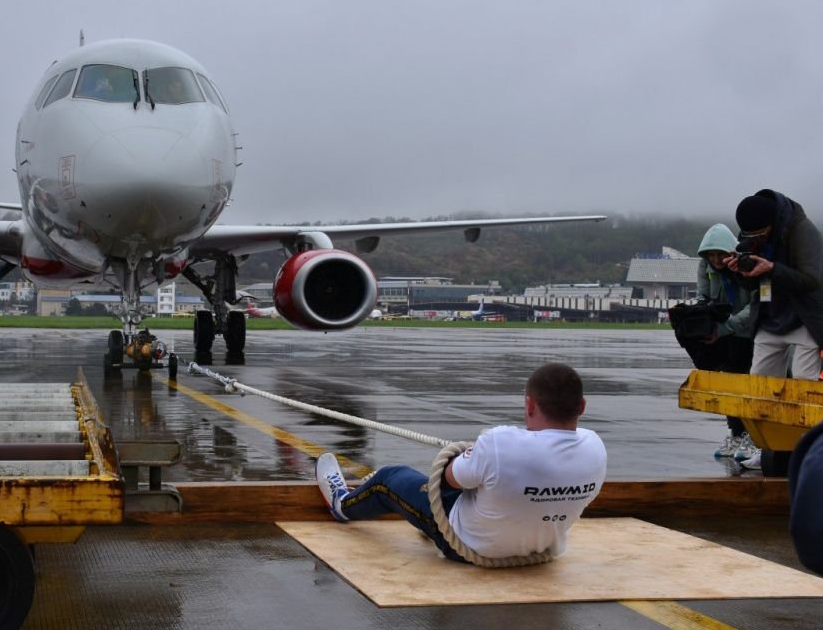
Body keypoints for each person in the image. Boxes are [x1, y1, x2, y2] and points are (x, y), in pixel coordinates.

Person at [315, 363, 607, 563]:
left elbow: (447, 481)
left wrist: (474, 454)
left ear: (529, 405)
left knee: (390, 479)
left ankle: (341, 505)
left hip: (468, 547)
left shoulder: (500, 442)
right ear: (582, 407)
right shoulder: (595, 447)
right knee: (489, 486)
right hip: (541, 550)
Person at [726, 189, 823, 470]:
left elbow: (812, 281)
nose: (755, 240)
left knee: (804, 386)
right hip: (770, 314)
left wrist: (772, 267)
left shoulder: (802, 230)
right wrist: (738, 272)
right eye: (750, 236)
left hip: (805, 316)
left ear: (772, 224)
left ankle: (809, 449)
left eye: (760, 235)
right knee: (760, 384)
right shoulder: (752, 232)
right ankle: (770, 448)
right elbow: (752, 285)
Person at [671, 223, 755, 460]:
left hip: (749, 332)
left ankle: (753, 435)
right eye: (711, 254)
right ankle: (737, 433)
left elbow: (755, 307)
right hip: (724, 332)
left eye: (721, 254)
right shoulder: (705, 265)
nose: (716, 259)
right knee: (728, 386)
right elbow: (703, 296)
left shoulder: (746, 265)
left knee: (747, 385)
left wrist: (727, 327)